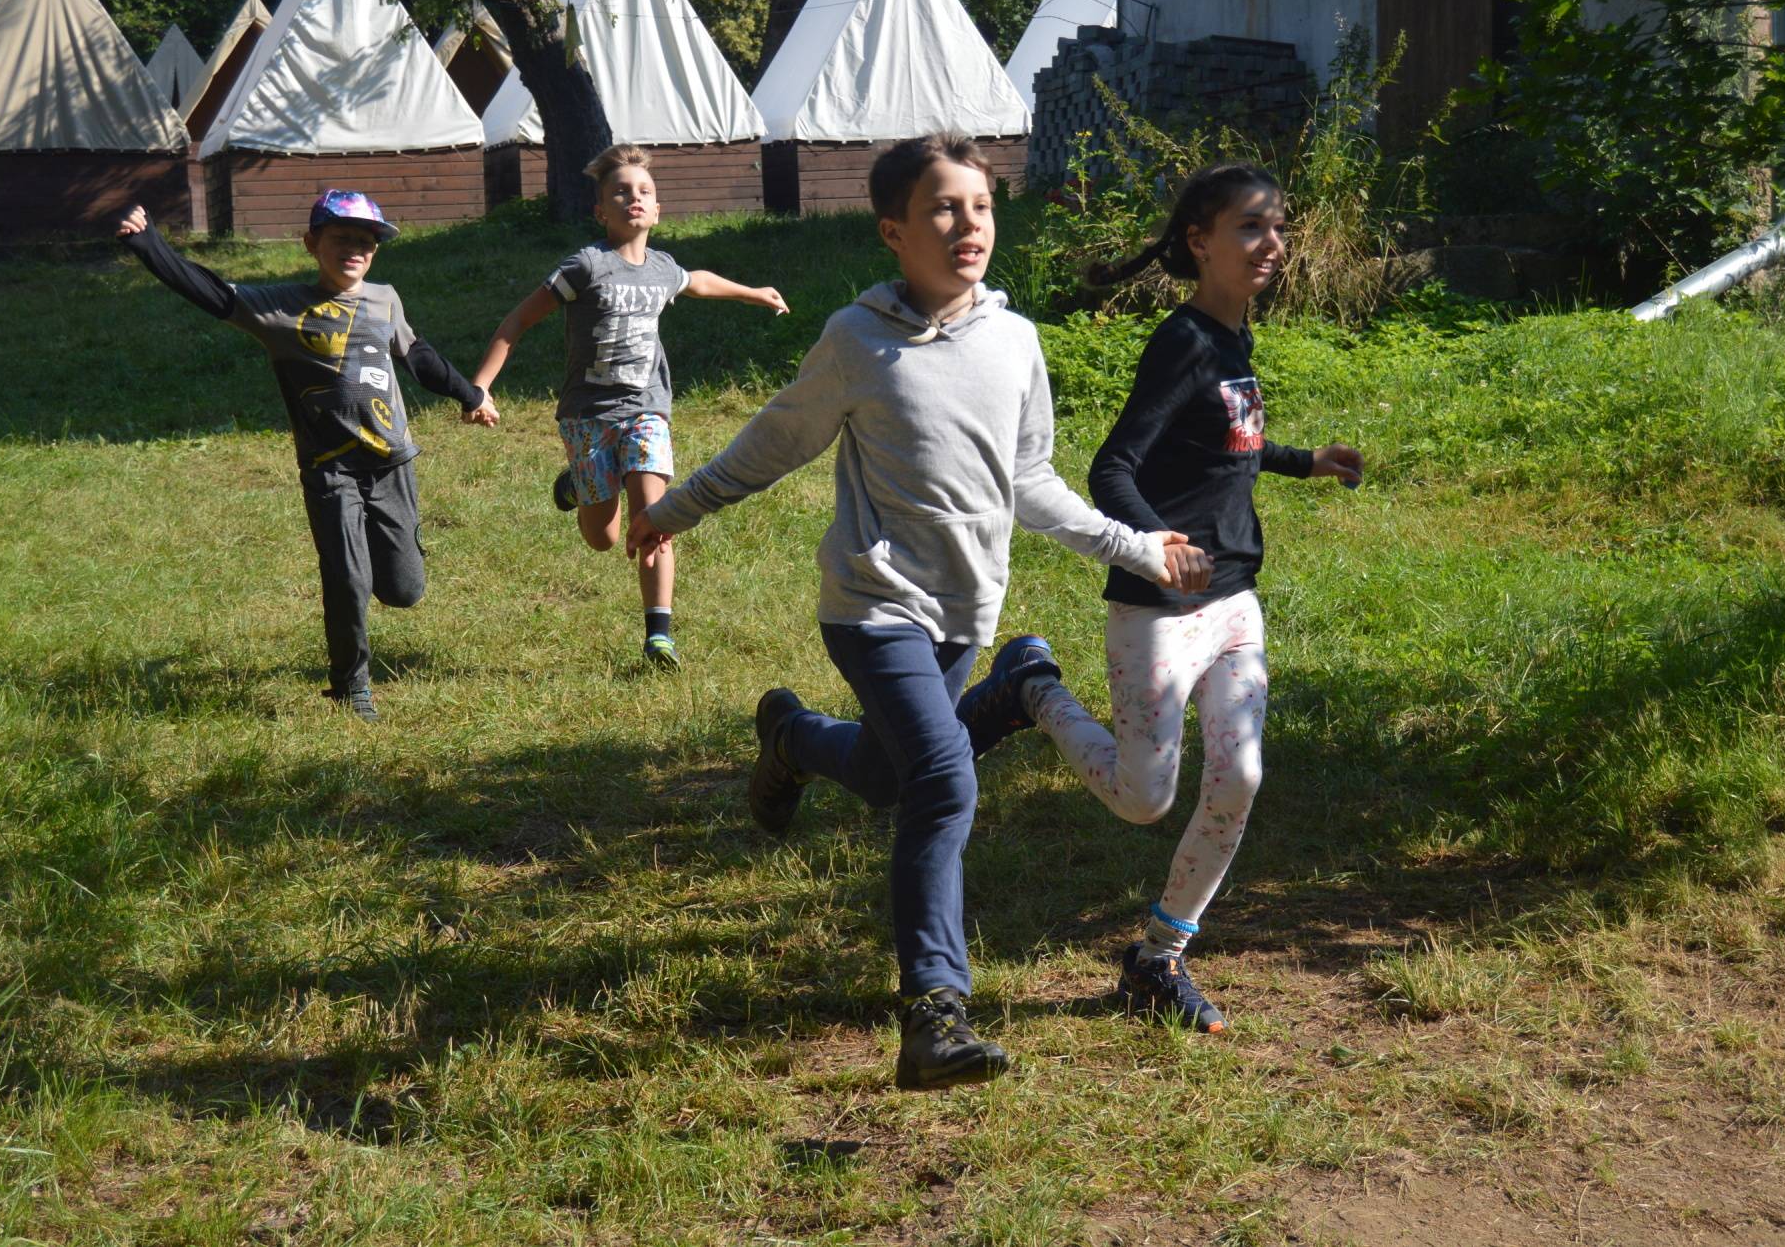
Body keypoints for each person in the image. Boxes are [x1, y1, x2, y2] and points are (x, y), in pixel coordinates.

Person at [624, 133, 1203, 1089]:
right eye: (942, 207)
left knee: (890, 776)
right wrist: (675, 508)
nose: (968, 224)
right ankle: (935, 1013)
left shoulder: (1015, 342)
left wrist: (1138, 547)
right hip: (873, 605)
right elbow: (777, 439)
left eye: (980, 206)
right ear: (893, 230)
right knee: (941, 780)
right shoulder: (859, 340)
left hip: (967, 609)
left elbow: (1031, 481)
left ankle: (794, 739)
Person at [955, 163, 1363, 1035]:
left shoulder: (1235, 335)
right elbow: (1114, 467)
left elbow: (1227, 445)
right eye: (1251, 227)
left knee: (1240, 774)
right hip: (1159, 609)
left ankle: (1158, 958)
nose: (1273, 243)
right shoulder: (1183, 341)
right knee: (1144, 798)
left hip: (1235, 599)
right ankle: (1031, 689)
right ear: (1199, 242)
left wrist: (1304, 463)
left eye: (1278, 226)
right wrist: (1156, 546)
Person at [114, 190, 499, 720]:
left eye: (366, 242)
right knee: (348, 579)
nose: (355, 249)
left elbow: (420, 356)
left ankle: (377, 570)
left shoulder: (385, 299)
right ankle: (351, 686)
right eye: (341, 238)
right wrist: (149, 244)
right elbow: (210, 291)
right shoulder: (280, 308)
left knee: (405, 591)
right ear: (311, 243)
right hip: (330, 470)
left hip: (392, 464)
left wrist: (470, 395)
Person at [471, 144, 788, 671]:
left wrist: (753, 292)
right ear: (601, 211)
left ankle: (659, 635)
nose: (633, 198)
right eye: (620, 192)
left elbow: (698, 281)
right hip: (588, 414)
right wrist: (481, 386)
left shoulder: (662, 269)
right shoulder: (585, 266)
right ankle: (578, 485)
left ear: (657, 210)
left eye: (644, 191)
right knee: (603, 537)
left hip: (646, 409)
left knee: (654, 517)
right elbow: (517, 321)